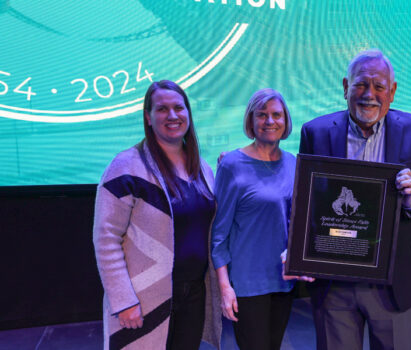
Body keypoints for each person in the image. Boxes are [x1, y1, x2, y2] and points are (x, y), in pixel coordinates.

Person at [299, 49, 411, 350]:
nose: (369, 94)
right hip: (335, 279)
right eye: (361, 84)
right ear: (345, 87)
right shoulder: (316, 132)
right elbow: (305, 201)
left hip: (394, 279)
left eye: (379, 86)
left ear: (392, 91)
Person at [93, 80, 222, 349]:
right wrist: (123, 301)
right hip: (144, 298)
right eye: (162, 109)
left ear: (188, 113)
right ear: (148, 118)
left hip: (194, 294)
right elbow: (106, 238)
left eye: (178, 107)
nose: (172, 116)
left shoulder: (202, 169)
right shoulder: (126, 166)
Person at [211, 88, 306, 350]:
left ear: (286, 121)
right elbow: (219, 233)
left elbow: (297, 223)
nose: (269, 121)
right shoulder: (231, 164)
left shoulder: (294, 164)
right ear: (251, 121)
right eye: (261, 114)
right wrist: (224, 287)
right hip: (247, 282)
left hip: (284, 280)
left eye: (276, 115)